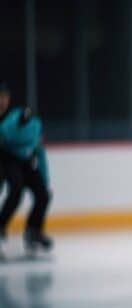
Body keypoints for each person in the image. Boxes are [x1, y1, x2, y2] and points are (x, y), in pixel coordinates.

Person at [0, 81, 53, 259]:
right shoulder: (11, 121)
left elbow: (40, 153)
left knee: (43, 194)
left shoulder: (22, 120)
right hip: (6, 159)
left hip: (23, 160)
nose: (2, 101)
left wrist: (44, 181)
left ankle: (33, 231)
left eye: (4, 97)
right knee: (16, 188)